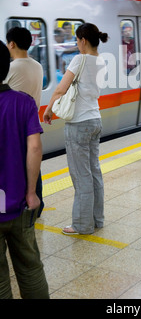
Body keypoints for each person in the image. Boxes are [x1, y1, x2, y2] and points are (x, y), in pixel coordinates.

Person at [43, 23, 108, 235]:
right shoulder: (101, 60)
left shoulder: (80, 59)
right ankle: (97, 219)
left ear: (83, 40)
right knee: (94, 172)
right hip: (95, 119)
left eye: (77, 40)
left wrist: (49, 108)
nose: (77, 44)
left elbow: (62, 88)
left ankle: (82, 225)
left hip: (79, 123)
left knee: (81, 176)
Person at [0, 41, 49, 299]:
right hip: (19, 202)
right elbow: (34, 148)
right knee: (30, 268)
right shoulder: (24, 103)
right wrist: (32, 192)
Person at [4, 27, 44, 216]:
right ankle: (37, 204)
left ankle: (19, 205)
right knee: (34, 165)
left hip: (13, 124)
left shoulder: (12, 68)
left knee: (16, 166)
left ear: (11, 44)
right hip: (31, 122)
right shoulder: (37, 65)